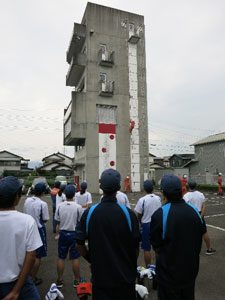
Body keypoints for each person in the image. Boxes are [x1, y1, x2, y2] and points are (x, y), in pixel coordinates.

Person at [75, 168, 140, 300]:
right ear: (118, 187)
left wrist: (91, 258)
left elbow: (79, 244)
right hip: (125, 278)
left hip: (100, 279)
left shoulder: (90, 213)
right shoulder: (128, 214)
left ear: (100, 186)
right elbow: (136, 247)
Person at [150, 174, 206, 300]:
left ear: (163, 193)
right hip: (190, 273)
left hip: (168, 276)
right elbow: (199, 239)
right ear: (181, 190)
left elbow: (157, 247)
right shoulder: (195, 212)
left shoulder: (160, 214)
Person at [0, 176, 42, 300]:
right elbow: (31, 257)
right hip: (18, 281)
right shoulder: (27, 221)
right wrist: (16, 291)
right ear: (17, 198)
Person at [54, 185, 83, 288]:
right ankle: (76, 280)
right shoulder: (78, 207)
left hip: (63, 234)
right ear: (74, 194)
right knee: (75, 258)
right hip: (74, 234)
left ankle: (60, 280)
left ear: (65, 194)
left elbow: (57, 222)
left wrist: (58, 233)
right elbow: (80, 221)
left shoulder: (59, 206)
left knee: (61, 257)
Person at [23, 182, 49, 285]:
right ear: (43, 192)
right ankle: (32, 278)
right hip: (38, 229)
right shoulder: (43, 204)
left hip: (26, 227)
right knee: (38, 255)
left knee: (28, 252)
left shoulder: (27, 200)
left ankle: (25, 275)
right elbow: (45, 219)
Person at [183, 180, 216, 255]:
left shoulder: (186, 195)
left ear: (189, 186)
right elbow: (204, 206)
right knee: (204, 232)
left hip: (190, 215)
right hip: (200, 214)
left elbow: (185, 207)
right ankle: (209, 249)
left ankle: (189, 250)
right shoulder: (201, 194)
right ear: (196, 185)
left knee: (189, 233)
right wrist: (200, 216)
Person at [134, 180, 161, 266]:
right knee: (157, 248)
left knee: (146, 248)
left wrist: (140, 223)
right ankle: (159, 267)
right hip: (157, 224)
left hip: (146, 225)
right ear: (153, 188)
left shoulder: (142, 200)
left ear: (144, 189)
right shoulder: (158, 198)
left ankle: (148, 267)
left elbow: (139, 214)